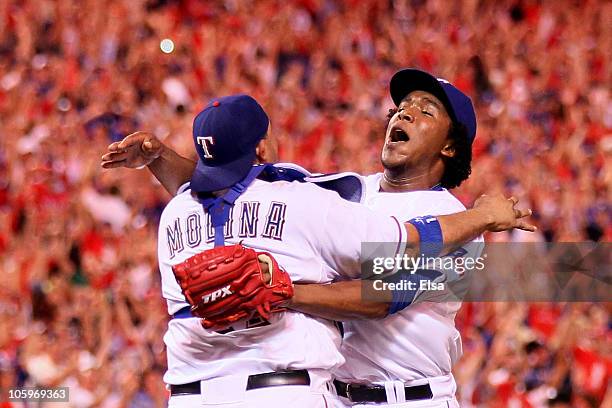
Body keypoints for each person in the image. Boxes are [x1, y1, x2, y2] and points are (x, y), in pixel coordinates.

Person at [102, 91, 532, 408]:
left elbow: (383, 296)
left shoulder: (455, 223)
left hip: (410, 399)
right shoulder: (346, 191)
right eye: (402, 106)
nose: (405, 112)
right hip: (330, 396)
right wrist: (161, 158)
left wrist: (286, 292)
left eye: (425, 111)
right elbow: (236, 181)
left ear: (449, 146)